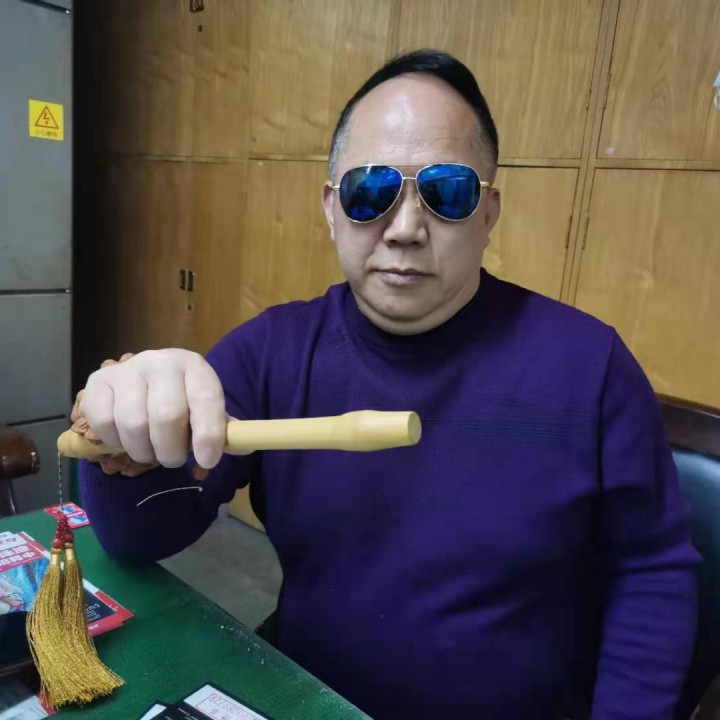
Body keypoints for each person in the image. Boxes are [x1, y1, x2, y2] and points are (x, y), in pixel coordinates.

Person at [76, 50, 698, 719]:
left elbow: (653, 571)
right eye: (370, 191)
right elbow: (140, 539)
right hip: (311, 701)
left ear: (488, 213)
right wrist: (129, 444)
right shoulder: (274, 351)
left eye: (447, 192)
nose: (405, 230)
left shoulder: (590, 365)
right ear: (331, 207)